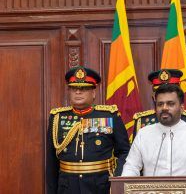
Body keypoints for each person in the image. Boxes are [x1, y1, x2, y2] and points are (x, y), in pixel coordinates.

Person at [122, 84, 186, 194]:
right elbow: (132, 166)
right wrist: (124, 187)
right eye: (160, 104)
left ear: (182, 108)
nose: (164, 108)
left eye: (170, 104)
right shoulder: (144, 134)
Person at [46, 66, 130, 194]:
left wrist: (116, 179)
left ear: (93, 93)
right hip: (68, 187)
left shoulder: (109, 115)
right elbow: (52, 161)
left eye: (84, 89)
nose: (78, 92)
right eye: (74, 89)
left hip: (101, 186)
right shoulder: (57, 117)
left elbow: (124, 152)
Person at [131, 69, 186, 143]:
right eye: (159, 94)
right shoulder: (142, 121)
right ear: (154, 97)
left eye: (170, 102)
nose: (165, 107)